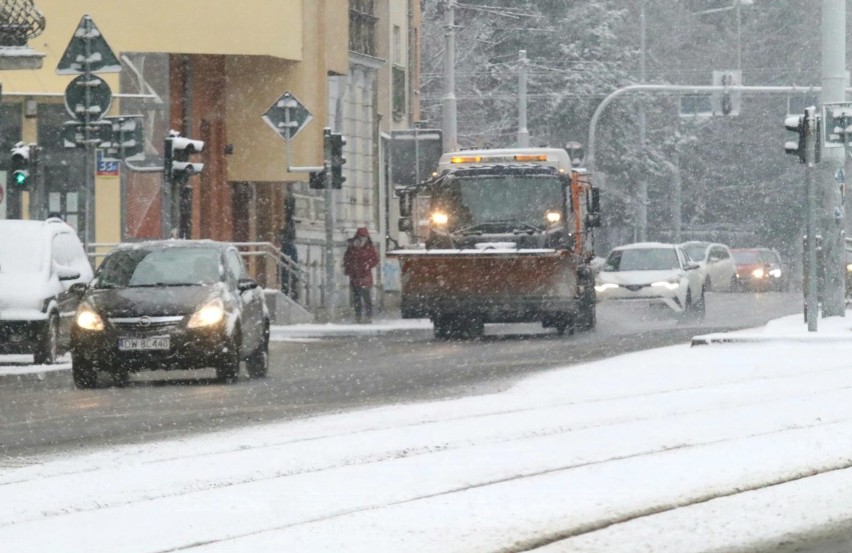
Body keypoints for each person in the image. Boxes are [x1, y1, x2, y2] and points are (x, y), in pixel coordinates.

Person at [343, 227, 379, 323]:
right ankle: (358, 316)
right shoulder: (352, 247)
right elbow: (347, 259)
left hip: (365, 275)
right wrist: (349, 268)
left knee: (366, 296)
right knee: (356, 297)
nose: (363, 239)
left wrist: (367, 265)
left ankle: (368, 316)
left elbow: (375, 259)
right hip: (355, 275)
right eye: (361, 237)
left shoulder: (370, 247)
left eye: (365, 237)